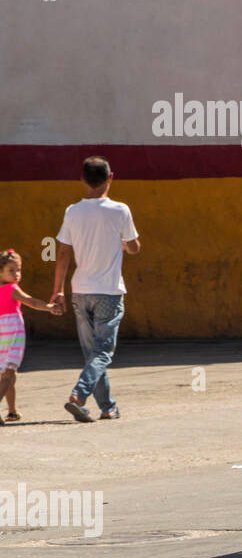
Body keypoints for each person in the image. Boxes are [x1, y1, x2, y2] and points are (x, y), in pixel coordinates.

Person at [50, 156, 141, 423]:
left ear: (82, 180)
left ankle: (108, 407)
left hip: (80, 290)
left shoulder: (72, 212)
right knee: (102, 353)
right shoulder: (121, 210)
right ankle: (79, 394)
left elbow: (63, 254)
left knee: (93, 354)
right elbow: (134, 247)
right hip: (109, 292)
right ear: (111, 177)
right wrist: (125, 244)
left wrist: (58, 291)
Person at [0, 249, 63, 427]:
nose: (17, 274)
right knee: (8, 374)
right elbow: (32, 302)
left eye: (18, 270)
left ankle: (12, 411)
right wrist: (49, 307)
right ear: (0, 272)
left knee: (8, 373)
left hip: (2, 333)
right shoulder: (12, 289)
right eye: (11, 270)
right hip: (13, 333)